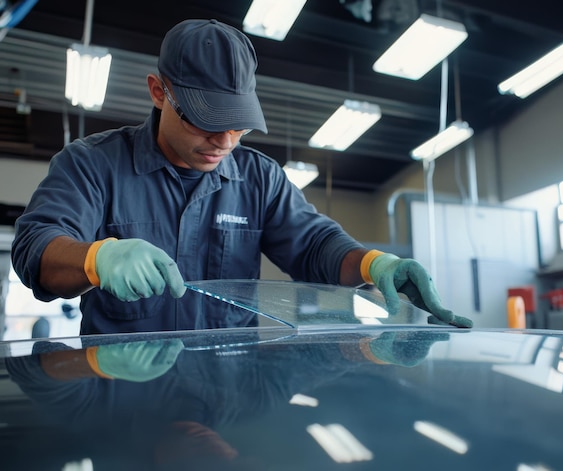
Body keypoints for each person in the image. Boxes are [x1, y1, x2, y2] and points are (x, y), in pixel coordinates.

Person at [10, 19, 472, 334]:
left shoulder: (260, 179)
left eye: (238, 124)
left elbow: (313, 246)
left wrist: (374, 265)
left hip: (226, 396)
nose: (225, 141)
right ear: (158, 92)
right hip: (125, 396)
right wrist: (94, 258)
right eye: (205, 120)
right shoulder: (93, 165)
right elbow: (35, 249)